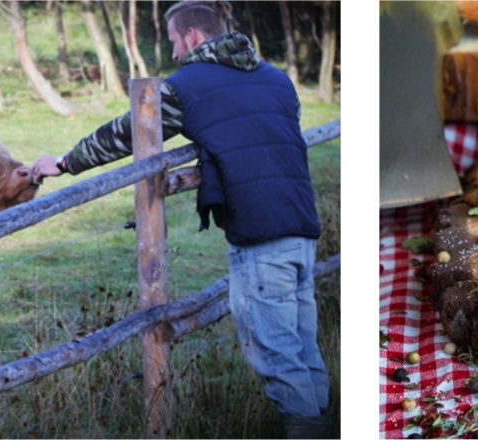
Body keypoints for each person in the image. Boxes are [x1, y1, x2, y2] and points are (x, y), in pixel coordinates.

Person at [30, 1, 330, 437]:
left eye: (173, 40)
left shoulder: (186, 86)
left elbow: (126, 131)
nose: (172, 53)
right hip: (303, 230)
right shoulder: (277, 79)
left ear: (191, 36)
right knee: (304, 350)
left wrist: (64, 162)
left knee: (278, 355)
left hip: (260, 239)